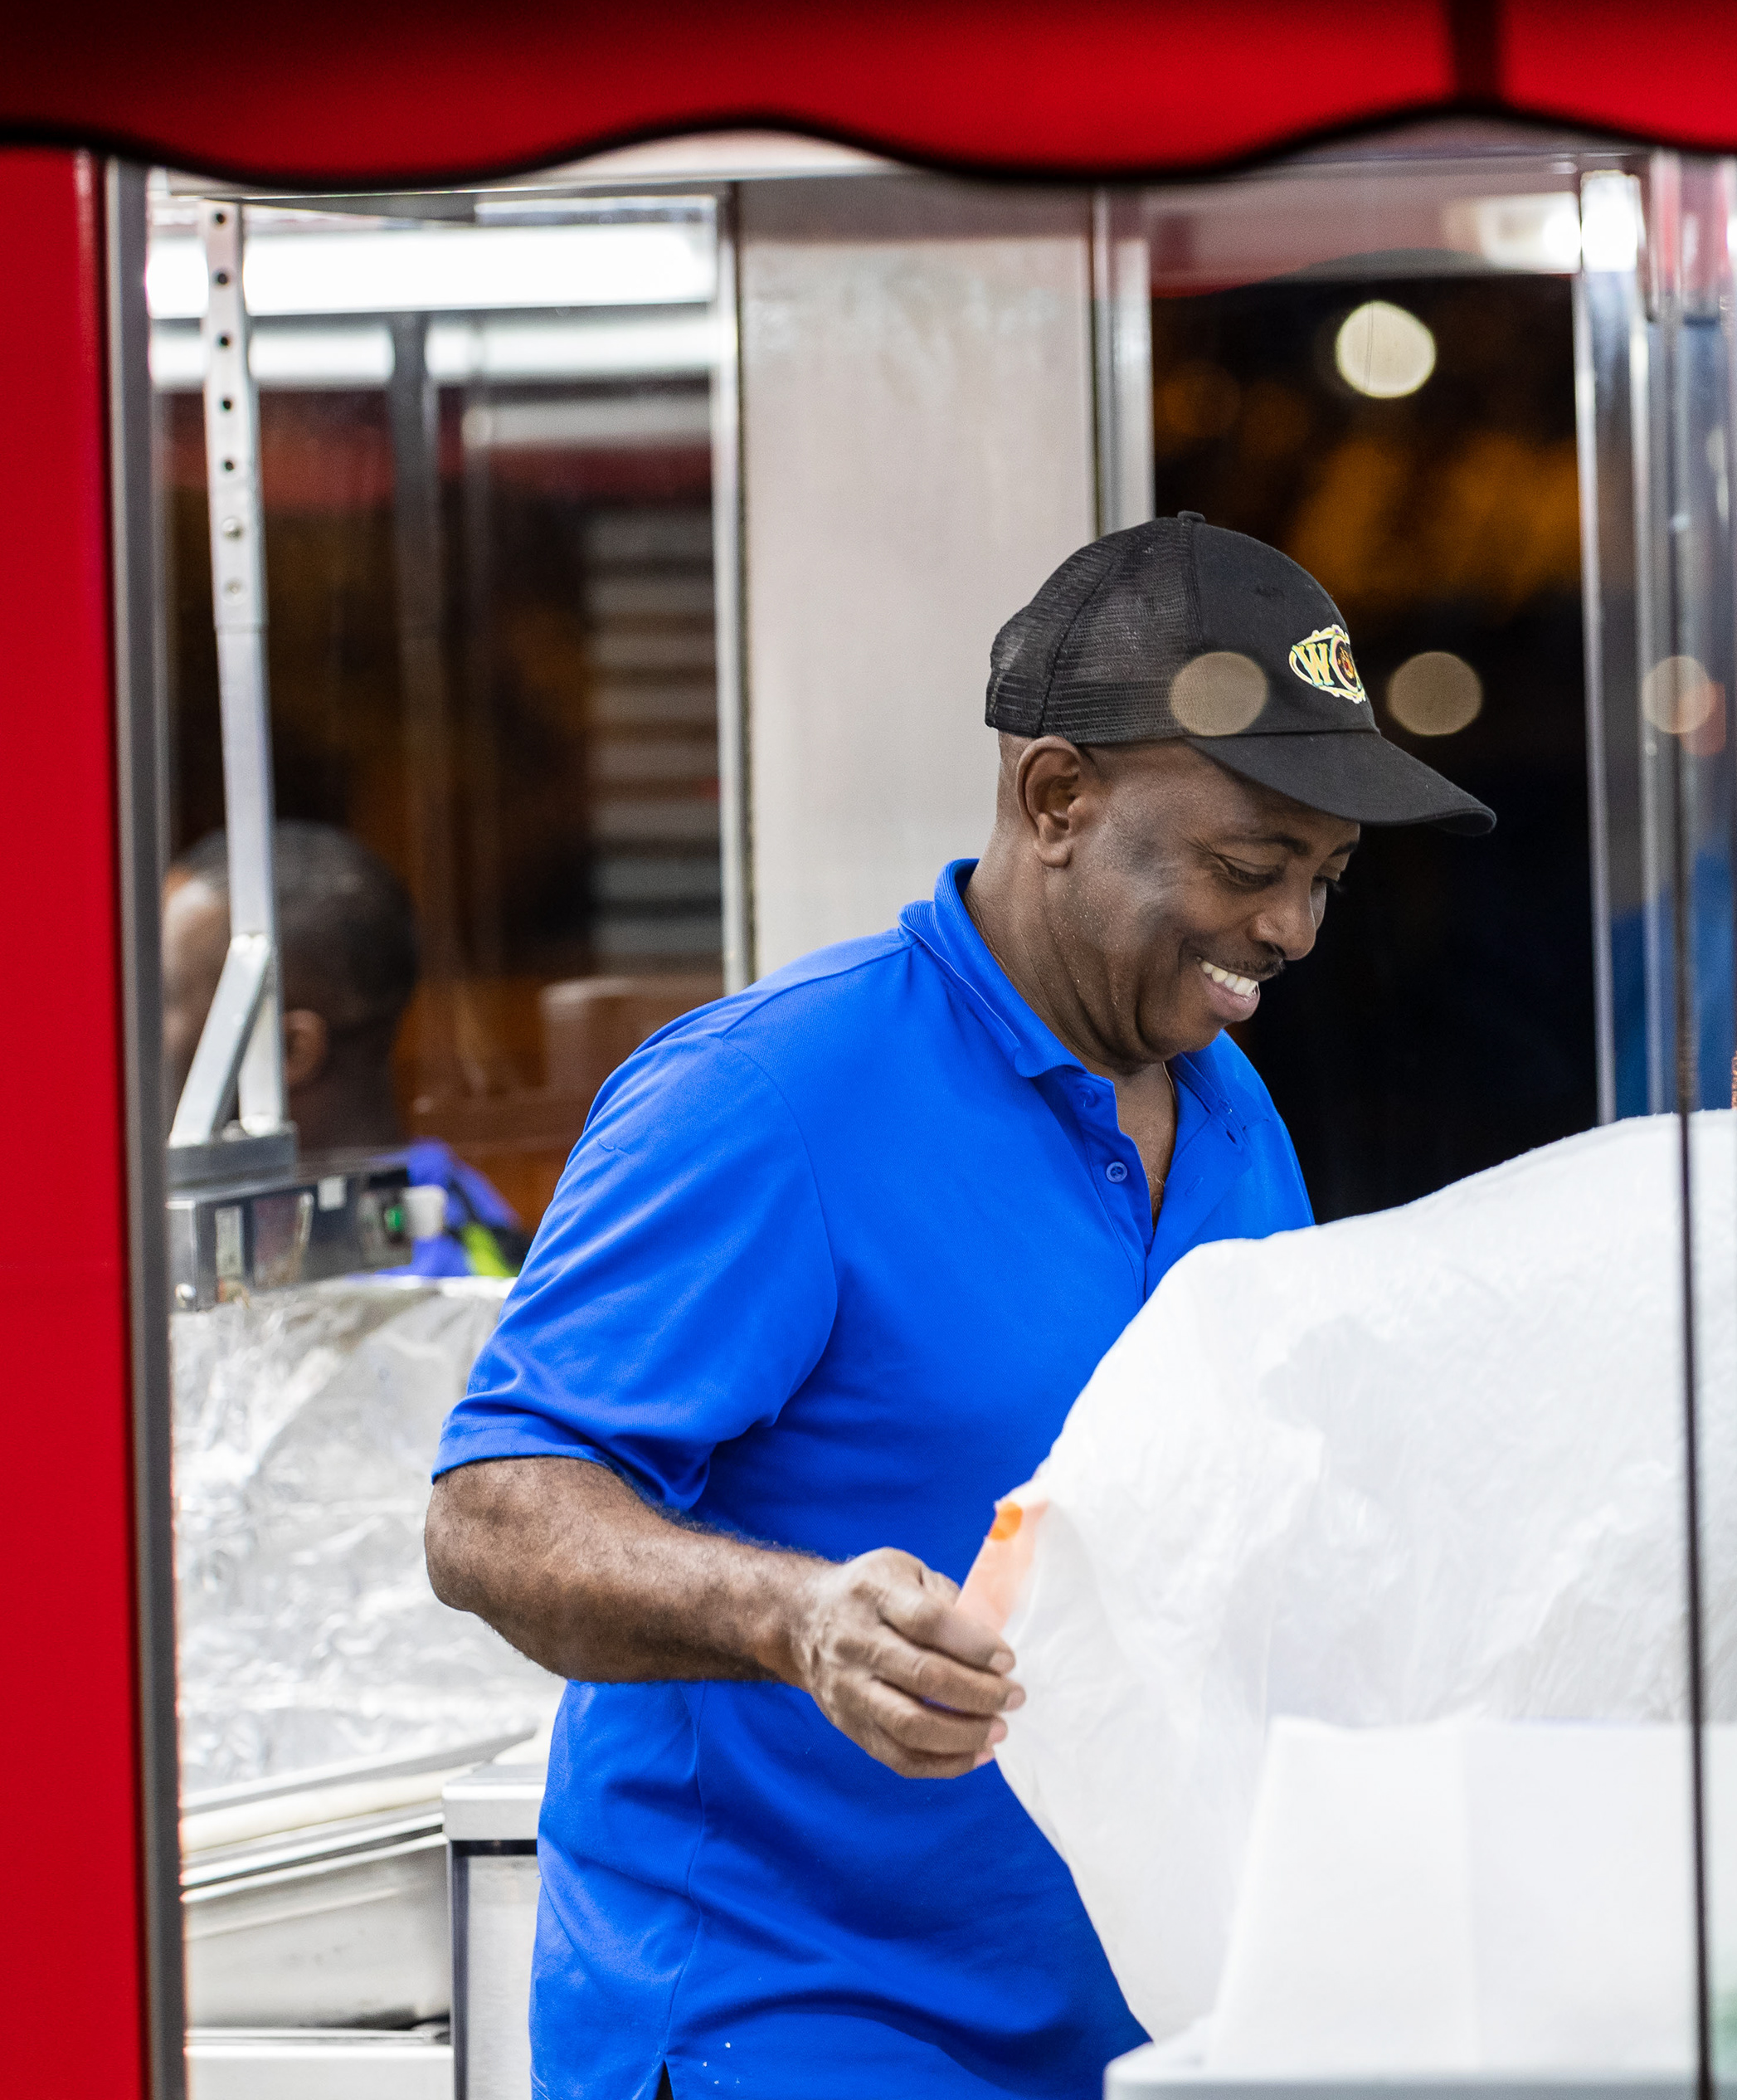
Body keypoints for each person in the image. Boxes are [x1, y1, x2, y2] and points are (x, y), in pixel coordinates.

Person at [422, 514, 1492, 2098]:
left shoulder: (1231, 1112)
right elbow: (493, 1514)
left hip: (1124, 2030)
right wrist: (799, 1620)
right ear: (1056, 798)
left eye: (1326, 880)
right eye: (1250, 866)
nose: (1290, 931)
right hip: (790, 2031)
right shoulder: (773, 1095)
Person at [162, 821, 519, 1276]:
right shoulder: (447, 1199)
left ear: (289, 1052)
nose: (125, 1024)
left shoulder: (426, 1295)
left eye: (162, 999)